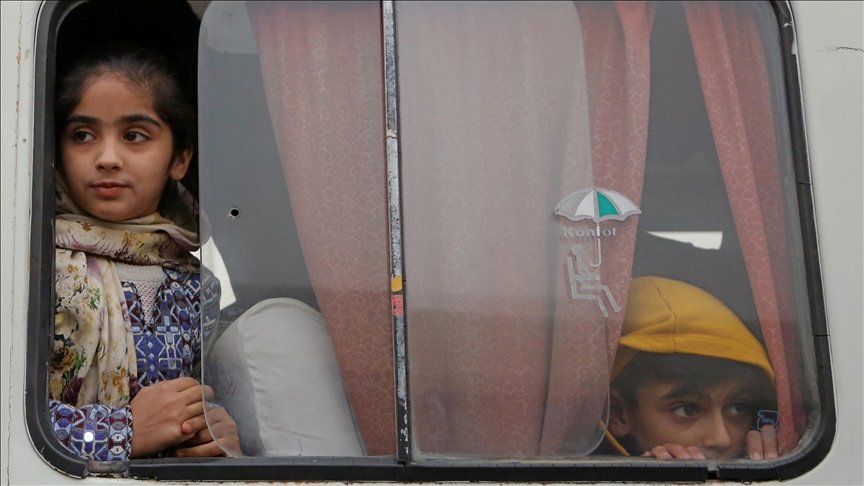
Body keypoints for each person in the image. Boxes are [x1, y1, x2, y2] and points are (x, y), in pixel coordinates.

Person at [48, 44, 237, 460]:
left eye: (134, 136)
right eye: (82, 136)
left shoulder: (199, 288)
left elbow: (190, 408)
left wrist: (209, 433)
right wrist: (121, 433)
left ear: (179, 159)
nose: (107, 158)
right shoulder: (27, 267)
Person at [602, 276, 779, 460]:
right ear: (618, 415)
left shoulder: (776, 463)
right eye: (687, 410)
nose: (722, 439)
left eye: (738, 408)